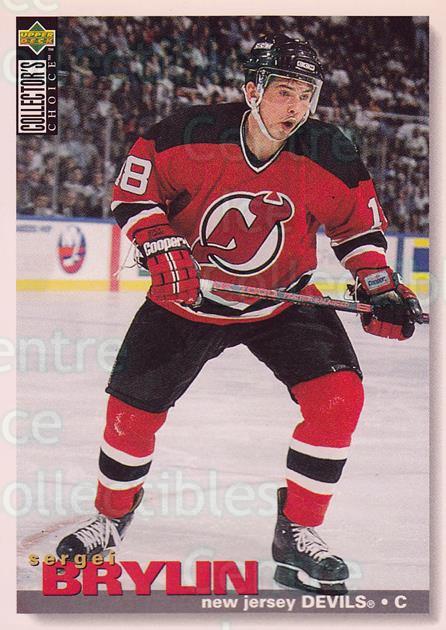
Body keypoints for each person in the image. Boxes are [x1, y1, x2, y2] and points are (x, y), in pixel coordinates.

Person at [57, 34, 424, 593]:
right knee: (130, 413)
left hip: (282, 301)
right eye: (284, 92)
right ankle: (111, 515)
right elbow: (133, 195)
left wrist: (378, 285)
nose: (296, 107)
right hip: (186, 301)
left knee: (339, 397)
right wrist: (160, 243)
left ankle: (297, 532)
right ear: (252, 91)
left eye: (306, 94)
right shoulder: (189, 133)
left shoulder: (330, 151)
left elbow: (357, 229)